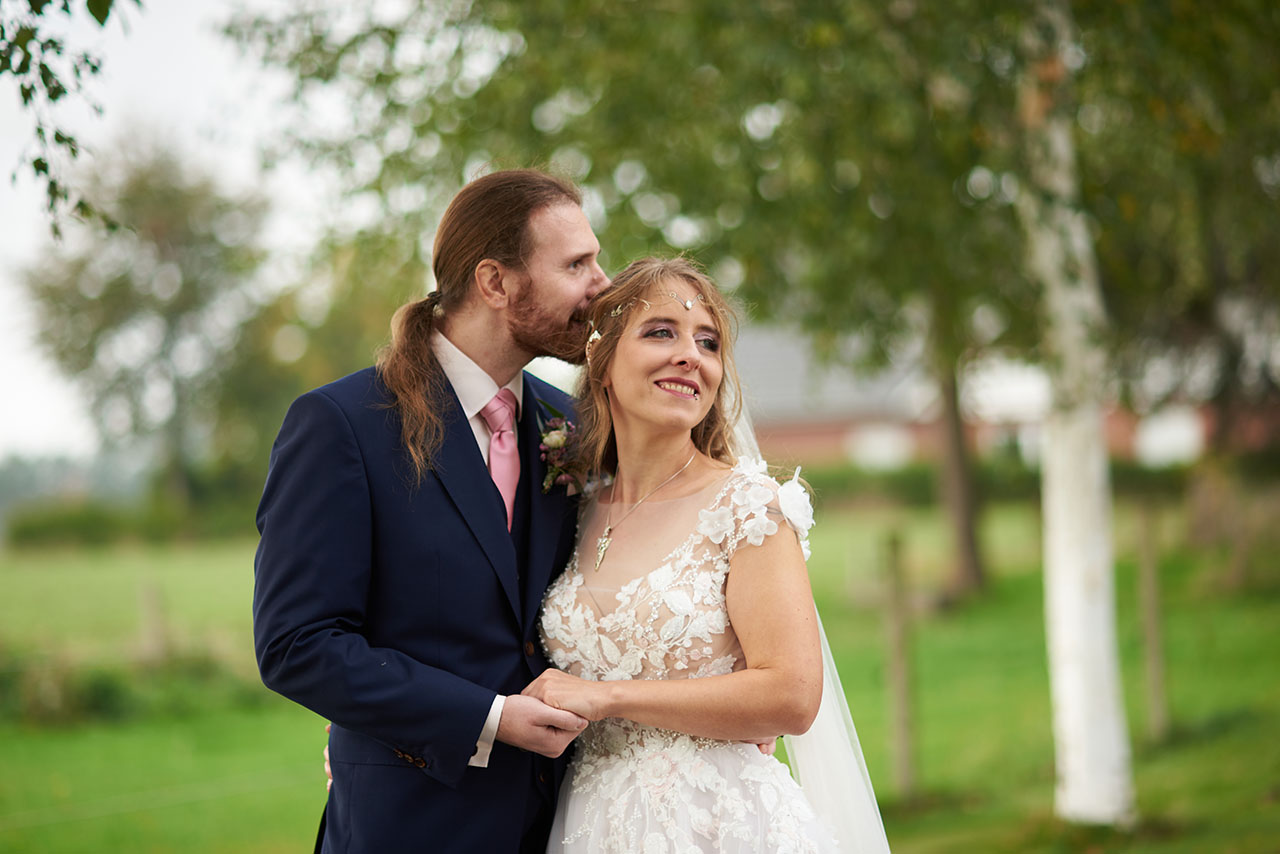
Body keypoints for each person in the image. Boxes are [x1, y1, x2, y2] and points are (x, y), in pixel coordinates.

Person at [253, 169, 611, 853]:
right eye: (577, 264)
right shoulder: (342, 425)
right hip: (412, 827)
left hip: (567, 824)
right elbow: (296, 645)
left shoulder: (572, 424)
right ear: (496, 283)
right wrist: (490, 718)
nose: (603, 283)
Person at [524, 257, 892, 852]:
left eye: (708, 342)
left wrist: (607, 696)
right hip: (589, 822)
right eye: (660, 332)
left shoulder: (748, 507)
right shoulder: (573, 506)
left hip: (721, 824)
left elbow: (792, 696)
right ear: (601, 358)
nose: (690, 355)